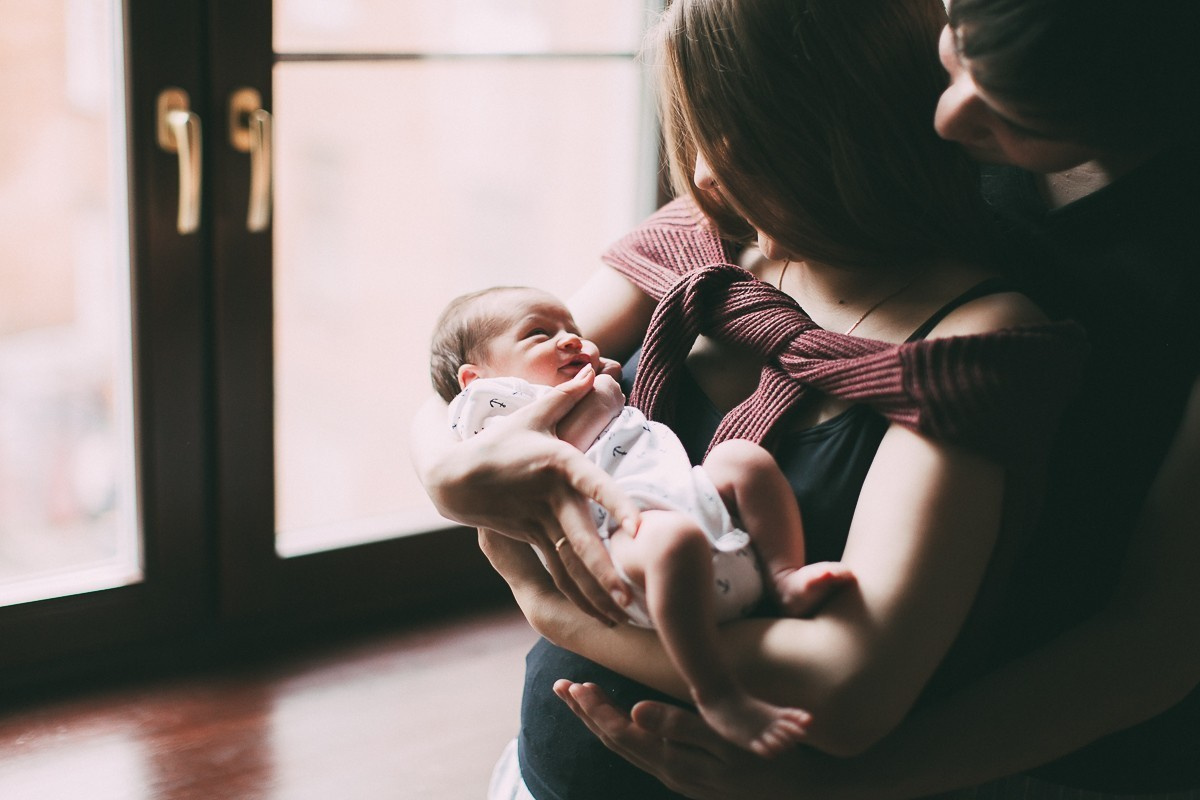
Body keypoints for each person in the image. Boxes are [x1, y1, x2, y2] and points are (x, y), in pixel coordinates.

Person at [410, 1, 1090, 798]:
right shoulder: (708, 232)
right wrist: (443, 475)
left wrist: (546, 604)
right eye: (694, 128)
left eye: (741, 131)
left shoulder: (969, 345)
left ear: (841, 113)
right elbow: (472, 384)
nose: (700, 170)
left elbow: (849, 693)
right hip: (534, 773)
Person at [550, 0, 1200, 797]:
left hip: (1024, 739)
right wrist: (454, 463)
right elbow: (496, 371)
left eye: (1013, 103)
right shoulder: (756, 212)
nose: (947, 113)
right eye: (956, 41)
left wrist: (552, 605)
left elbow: (1157, 637)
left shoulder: (976, 339)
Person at [431, 284, 853, 757]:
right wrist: (601, 394)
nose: (571, 340)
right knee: (673, 540)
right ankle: (716, 692)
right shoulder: (487, 411)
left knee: (742, 460)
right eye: (538, 335)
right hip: (618, 544)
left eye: (573, 330)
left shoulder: (574, 383)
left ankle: (783, 578)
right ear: (475, 376)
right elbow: (556, 450)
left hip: (685, 499)